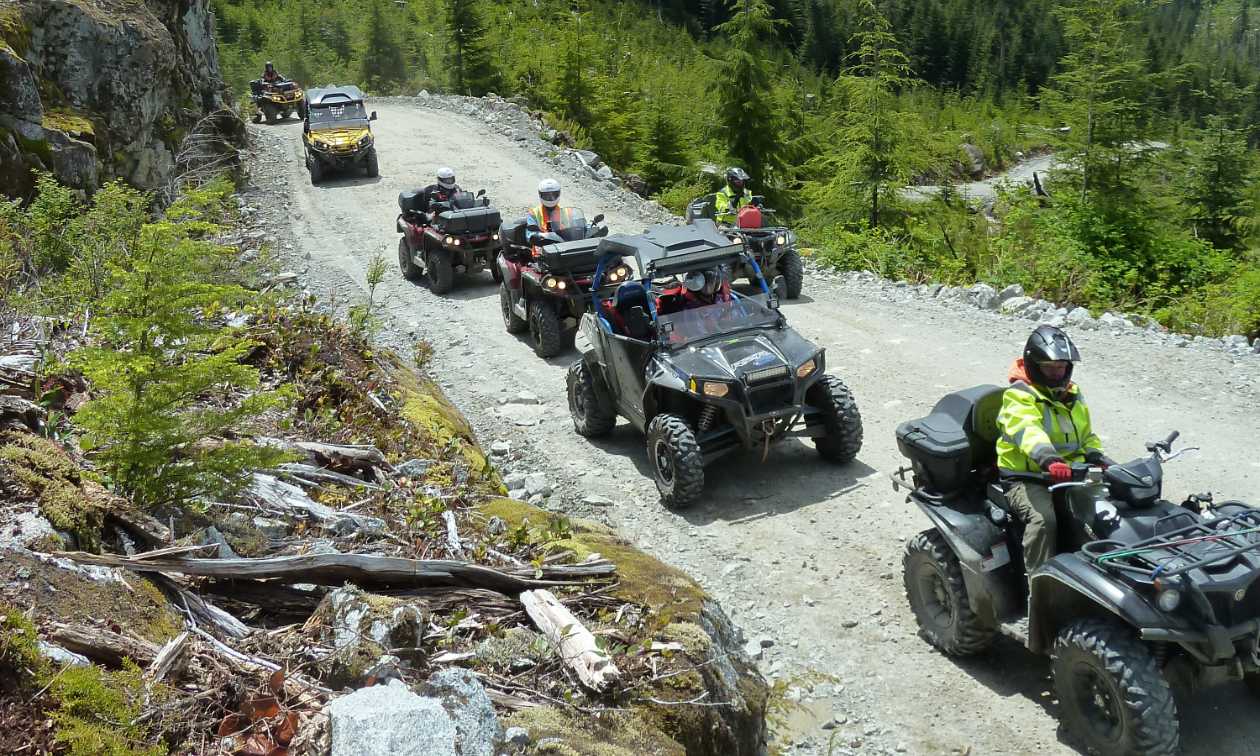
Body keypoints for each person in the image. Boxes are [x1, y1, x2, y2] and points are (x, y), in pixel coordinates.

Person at [996, 326, 1113, 576]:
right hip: (1027, 476)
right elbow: (1026, 429)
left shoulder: (1072, 393)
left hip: (1072, 472)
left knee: (1112, 506)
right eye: (1050, 367)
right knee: (1043, 521)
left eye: (1062, 366)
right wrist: (1049, 459)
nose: (1058, 372)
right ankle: (1039, 593)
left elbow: (1087, 435)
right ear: (1033, 365)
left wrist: (1096, 457)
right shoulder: (1019, 395)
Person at [655, 267, 732, 315]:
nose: (709, 287)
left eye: (711, 282)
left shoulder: (723, 298)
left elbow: (736, 316)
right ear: (696, 284)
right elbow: (696, 332)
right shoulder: (691, 308)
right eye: (705, 283)